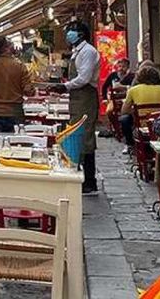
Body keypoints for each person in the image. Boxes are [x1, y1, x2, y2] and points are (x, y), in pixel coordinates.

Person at [59, 20, 101, 195]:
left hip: (85, 97)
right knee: (76, 134)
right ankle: (80, 175)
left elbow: (84, 78)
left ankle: (89, 180)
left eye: (72, 31)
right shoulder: (78, 51)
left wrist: (66, 86)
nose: (69, 34)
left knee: (85, 136)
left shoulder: (88, 52)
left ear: (81, 34)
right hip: (77, 98)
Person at [0, 38, 35, 135]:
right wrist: (32, 90)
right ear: (5, 48)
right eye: (10, 44)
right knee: (17, 145)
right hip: (15, 112)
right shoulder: (19, 66)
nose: (13, 46)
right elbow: (28, 91)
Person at [119, 65, 160, 146]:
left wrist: (135, 111)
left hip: (142, 125)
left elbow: (124, 111)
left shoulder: (133, 90)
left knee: (124, 119)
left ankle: (130, 144)